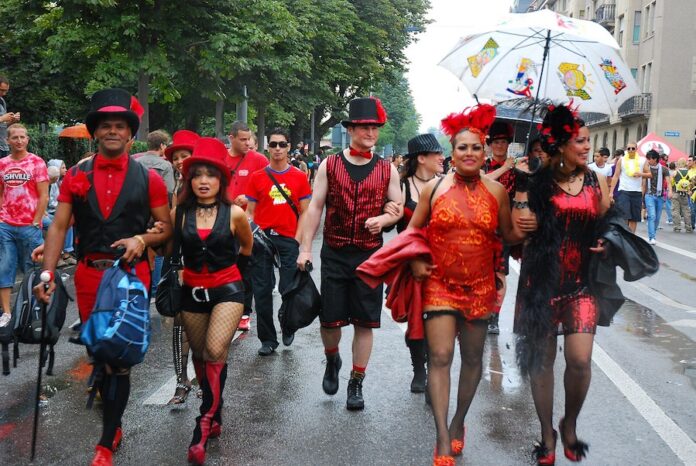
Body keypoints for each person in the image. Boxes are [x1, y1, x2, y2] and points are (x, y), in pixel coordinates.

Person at [34, 89, 172, 466]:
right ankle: (104, 384)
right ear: (96, 132)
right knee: (99, 349)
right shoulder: (76, 175)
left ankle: (107, 439)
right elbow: (59, 227)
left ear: (130, 134)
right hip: (88, 277)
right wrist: (47, 271)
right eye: (106, 126)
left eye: (120, 126)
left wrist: (143, 238)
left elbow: (166, 228)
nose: (113, 131)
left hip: (130, 277)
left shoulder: (149, 180)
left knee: (118, 357)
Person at [409, 105, 533, 466]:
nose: (469, 153)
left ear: (485, 153)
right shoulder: (434, 188)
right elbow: (414, 231)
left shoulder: (497, 192)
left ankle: (459, 420)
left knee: (473, 359)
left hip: (480, 287)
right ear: (452, 152)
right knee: (442, 357)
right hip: (439, 285)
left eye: (475, 148)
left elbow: (508, 234)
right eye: (462, 147)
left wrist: (526, 222)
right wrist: (417, 259)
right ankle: (442, 437)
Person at [512, 103, 610, 465]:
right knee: (542, 361)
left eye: (587, 140)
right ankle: (546, 434)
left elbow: (607, 222)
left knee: (580, 360)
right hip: (541, 285)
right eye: (579, 141)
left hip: (581, 285)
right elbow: (516, 230)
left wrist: (607, 241)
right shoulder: (537, 181)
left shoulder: (595, 180)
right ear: (560, 145)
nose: (587, 146)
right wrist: (523, 185)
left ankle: (569, 422)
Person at [297, 97, 402, 410]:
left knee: (365, 322)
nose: (371, 132)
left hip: (370, 256)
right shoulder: (330, 165)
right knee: (330, 322)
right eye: (365, 127)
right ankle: (332, 360)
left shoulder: (387, 170)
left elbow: (396, 208)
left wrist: (383, 219)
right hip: (335, 252)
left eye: (375, 128)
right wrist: (305, 248)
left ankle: (356, 382)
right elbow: (315, 207)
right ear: (352, 128)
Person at [171, 137, 252, 465]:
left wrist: (236, 280)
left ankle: (202, 425)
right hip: (191, 290)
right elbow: (167, 249)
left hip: (227, 291)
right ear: (190, 180)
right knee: (202, 358)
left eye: (211, 175)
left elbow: (246, 249)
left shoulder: (235, 214)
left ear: (222, 180)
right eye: (198, 175)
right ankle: (215, 411)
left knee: (216, 350)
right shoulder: (179, 213)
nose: (204, 181)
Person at [245, 128, 312, 355]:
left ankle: (288, 324)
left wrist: (297, 240)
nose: (277, 149)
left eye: (281, 144)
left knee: (289, 287)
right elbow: (250, 212)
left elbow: (305, 211)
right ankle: (267, 339)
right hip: (262, 239)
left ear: (288, 147)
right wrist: (249, 235)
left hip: (288, 239)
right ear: (267, 147)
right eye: (273, 144)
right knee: (262, 291)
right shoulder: (257, 177)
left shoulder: (299, 177)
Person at [396, 133, 445, 394]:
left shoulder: (447, 184)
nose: (442, 158)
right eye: (436, 154)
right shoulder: (402, 186)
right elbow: (391, 220)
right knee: (416, 318)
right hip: (410, 264)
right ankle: (419, 369)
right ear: (421, 159)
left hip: (442, 263)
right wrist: (387, 214)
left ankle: (434, 370)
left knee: (438, 318)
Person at [162, 129, 200, 406]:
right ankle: (180, 380)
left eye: (184, 156)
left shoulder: (202, 182)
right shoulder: (177, 184)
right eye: (176, 157)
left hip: (204, 261)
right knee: (179, 322)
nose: (179, 161)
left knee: (201, 324)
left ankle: (201, 379)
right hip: (179, 261)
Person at [0, 123, 48, 327]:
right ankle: (7, 313)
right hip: (6, 225)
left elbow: (44, 195)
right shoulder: (2, 164)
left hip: (30, 224)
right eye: (15, 138)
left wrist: (36, 219)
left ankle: (31, 311)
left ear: (28, 139)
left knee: (33, 270)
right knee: (4, 267)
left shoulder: (36, 163)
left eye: (22, 137)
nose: (19, 141)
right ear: (7, 140)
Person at [226, 121, 269, 331]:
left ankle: (244, 312)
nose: (247, 143)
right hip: (222, 222)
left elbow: (269, 189)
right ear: (231, 138)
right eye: (242, 139)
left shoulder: (259, 160)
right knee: (226, 266)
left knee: (246, 267)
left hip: (248, 223)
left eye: (248, 139)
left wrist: (250, 197)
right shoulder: (220, 159)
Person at [482, 119, 516, 335]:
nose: (499, 145)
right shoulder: (482, 165)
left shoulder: (517, 168)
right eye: (495, 141)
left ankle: (494, 315)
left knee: (499, 273)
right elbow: (481, 183)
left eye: (503, 141)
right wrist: (505, 167)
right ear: (490, 144)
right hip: (481, 227)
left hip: (503, 229)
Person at [609, 142, 650, 233]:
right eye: (629, 149)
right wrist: (611, 192)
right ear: (626, 150)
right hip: (624, 190)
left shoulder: (642, 160)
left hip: (636, 192)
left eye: (633, 148)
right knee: (624, 217)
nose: (631, 150)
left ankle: (631, 238)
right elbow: (616, 176)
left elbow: (650, 174)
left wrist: (640, 174)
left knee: (634, 218)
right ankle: (624, 236)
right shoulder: (622, 160)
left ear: (636, 149)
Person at [643, 149, 671, 245]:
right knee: (652, 216)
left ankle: (653, 233)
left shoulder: (664, 169)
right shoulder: (646, 169)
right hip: (649, 195)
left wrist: (670, 191)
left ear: (655, 159)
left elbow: (668, 181)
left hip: (660, 196)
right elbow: (643, 183)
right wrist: (641, 195)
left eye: (649, 159)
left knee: (657, 218)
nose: (648, 160)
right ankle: (652, 237)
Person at [0, 76, 20, 158]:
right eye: (2, 90)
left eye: (6, 91)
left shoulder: (2, 101)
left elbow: (3, 125)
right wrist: (2, 118)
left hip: (3, 146)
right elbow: (1, 120)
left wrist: (12, 120)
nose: (4, 93)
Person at [671, 158, 692, 232]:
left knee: (675, 210)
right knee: (686, 210)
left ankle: (677, 226)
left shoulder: (675, 172)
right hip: (685, 194)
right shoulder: (688, 172)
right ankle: (688, 226)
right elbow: (690, 182)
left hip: (676, 193)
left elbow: (671, 182)